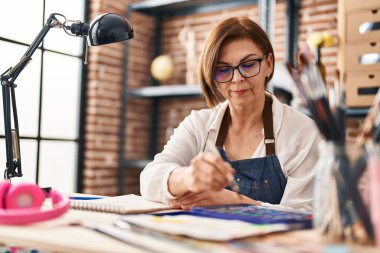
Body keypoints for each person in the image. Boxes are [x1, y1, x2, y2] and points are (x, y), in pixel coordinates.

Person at [140, 17, 321, 211]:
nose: (237, 78)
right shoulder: (198, 124)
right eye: (223, 69)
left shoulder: (303, 132)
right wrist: (188, 177)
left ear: (268, 64)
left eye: (249, 64)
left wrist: (237, 202)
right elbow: (149, 179)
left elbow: (305, 214)